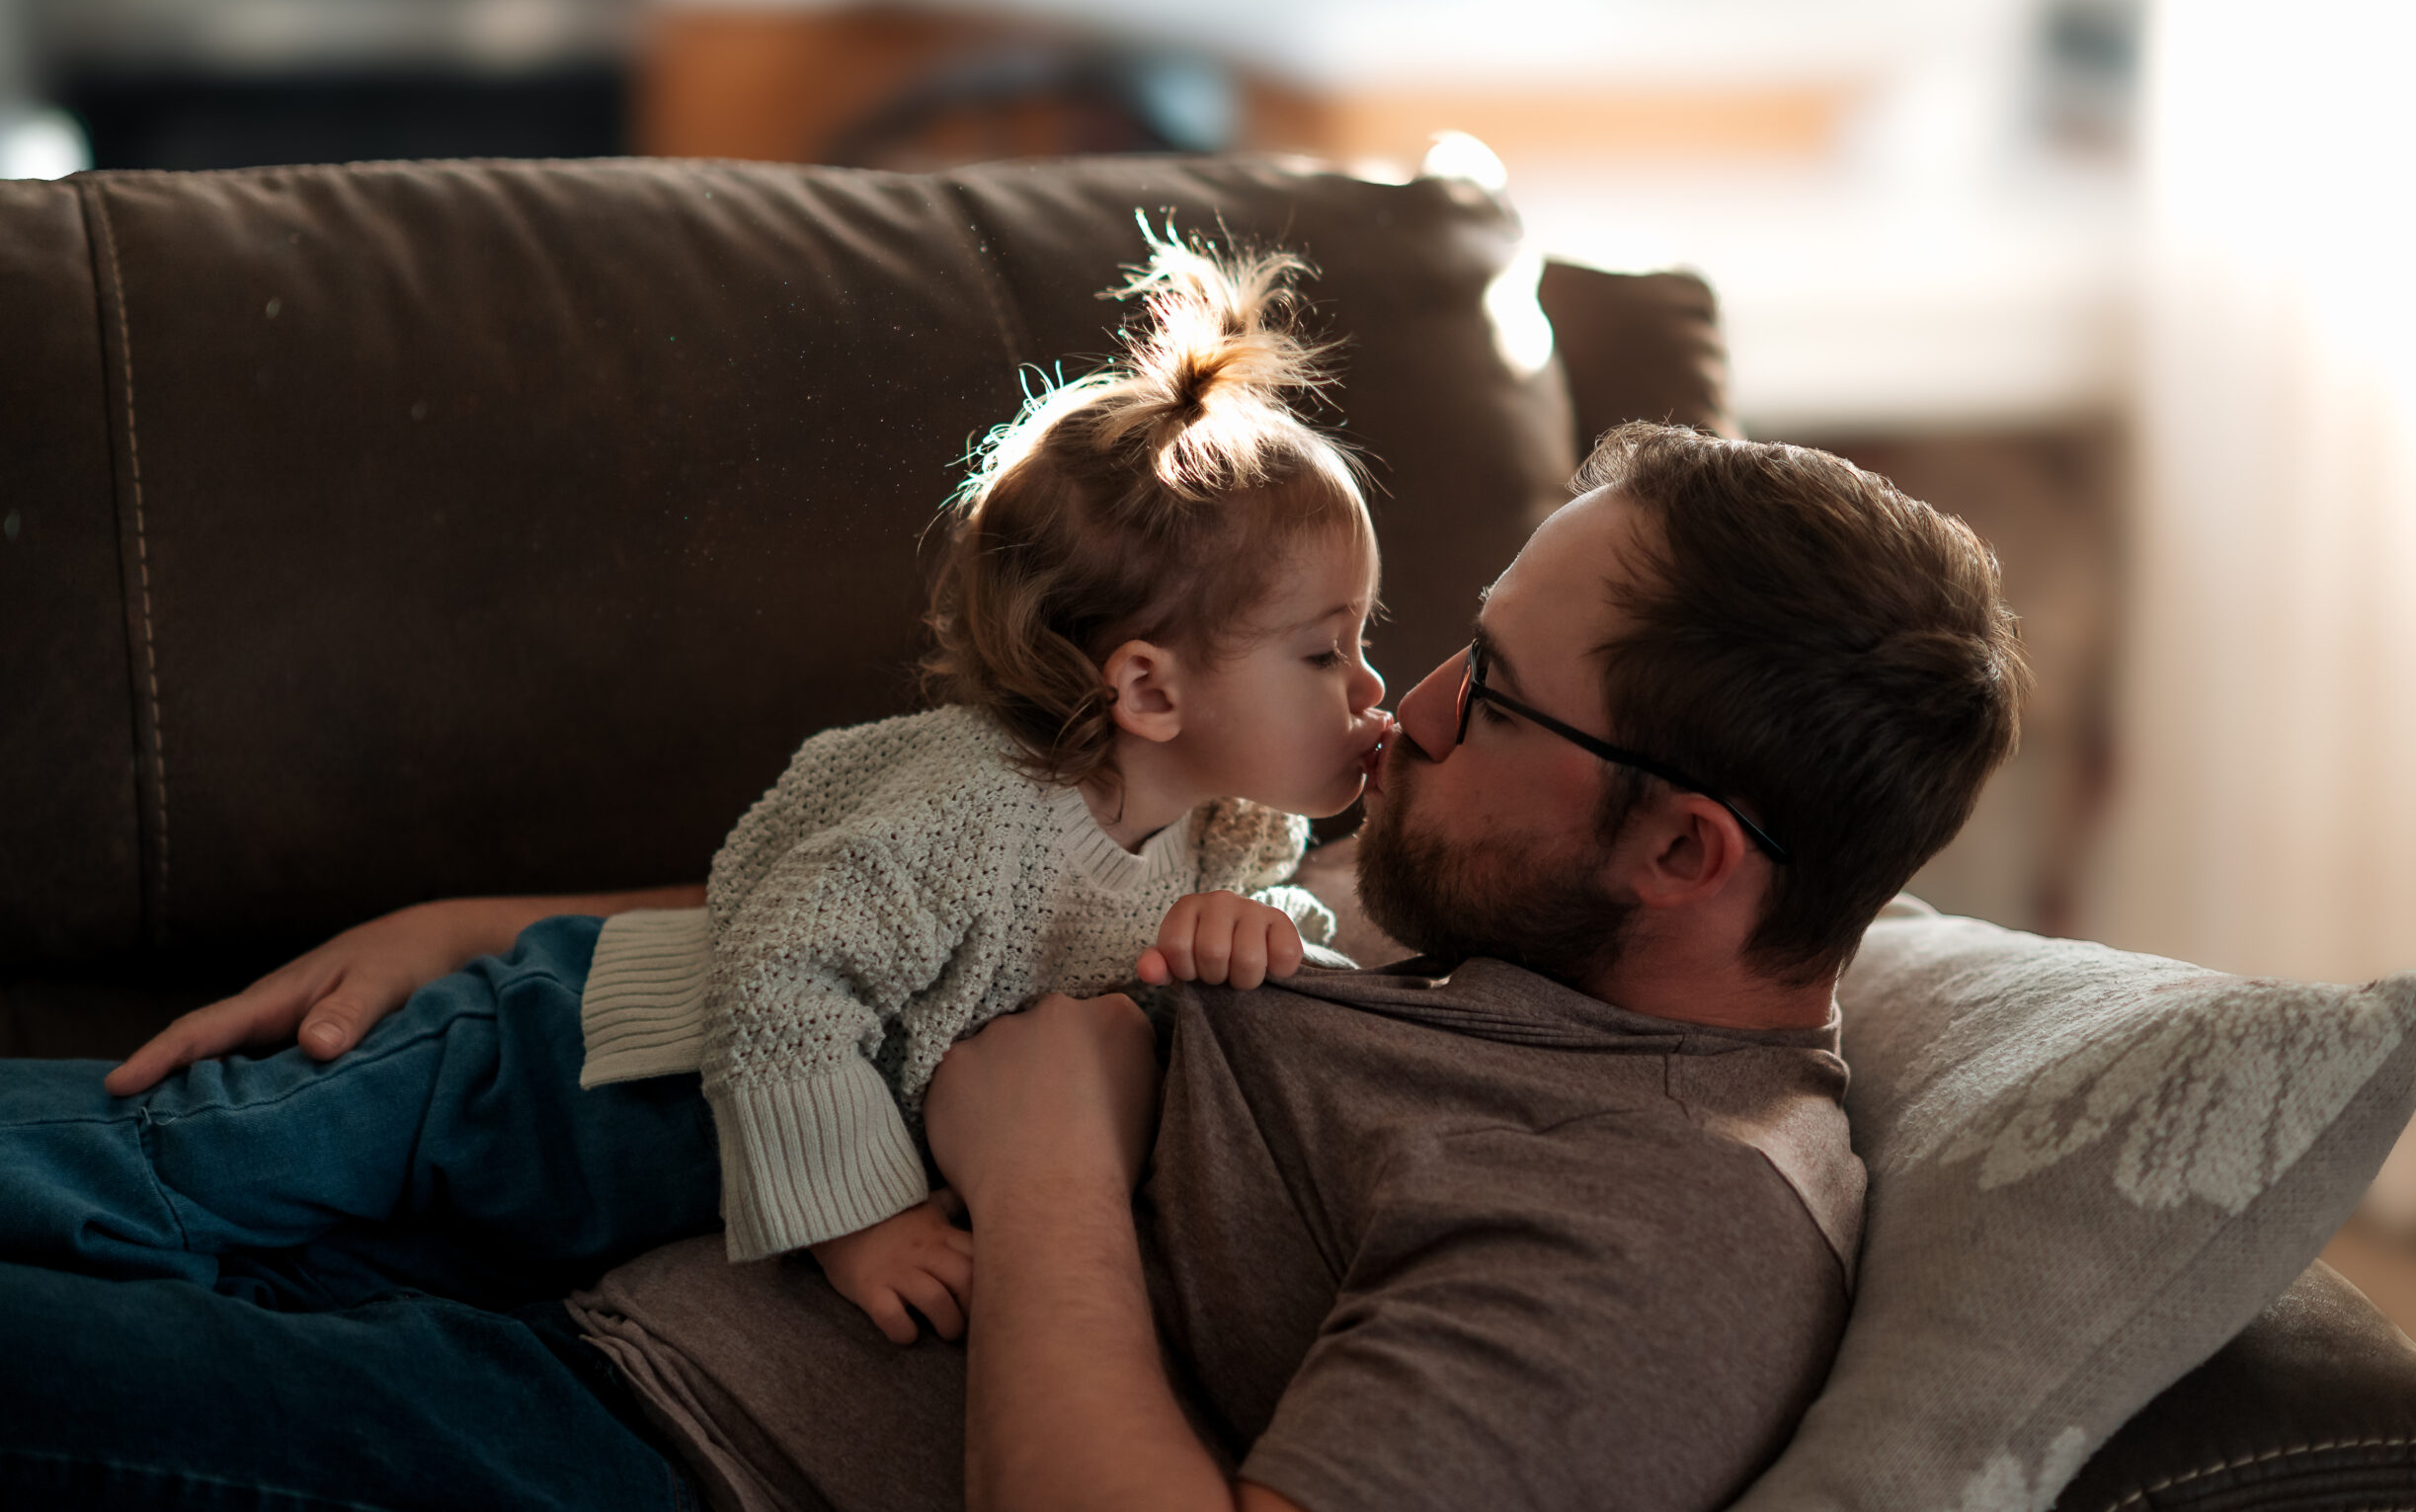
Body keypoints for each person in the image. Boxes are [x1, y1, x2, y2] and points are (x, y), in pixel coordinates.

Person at [0, 423, 2027, 1512]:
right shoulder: (1499, 906)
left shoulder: (1666, 1241)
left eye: (1483, 688)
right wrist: (513, 939)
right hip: (593, 1177)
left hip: (639, 1440)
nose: (1398, 713)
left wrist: (1049, 1167)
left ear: (1685, 850)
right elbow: (982, 895)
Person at [0, 232, 1389, 1345]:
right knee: (180, 1164)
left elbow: (1251, 967)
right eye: (1327, 651)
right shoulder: (970, 812)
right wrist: (857, 1224)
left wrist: (1273, 939)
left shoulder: (1223, 833)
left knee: (263, 1278)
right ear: (1148, 690)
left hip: (627, 1196)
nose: (1368, 687)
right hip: (547, 1064)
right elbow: (777, 983)